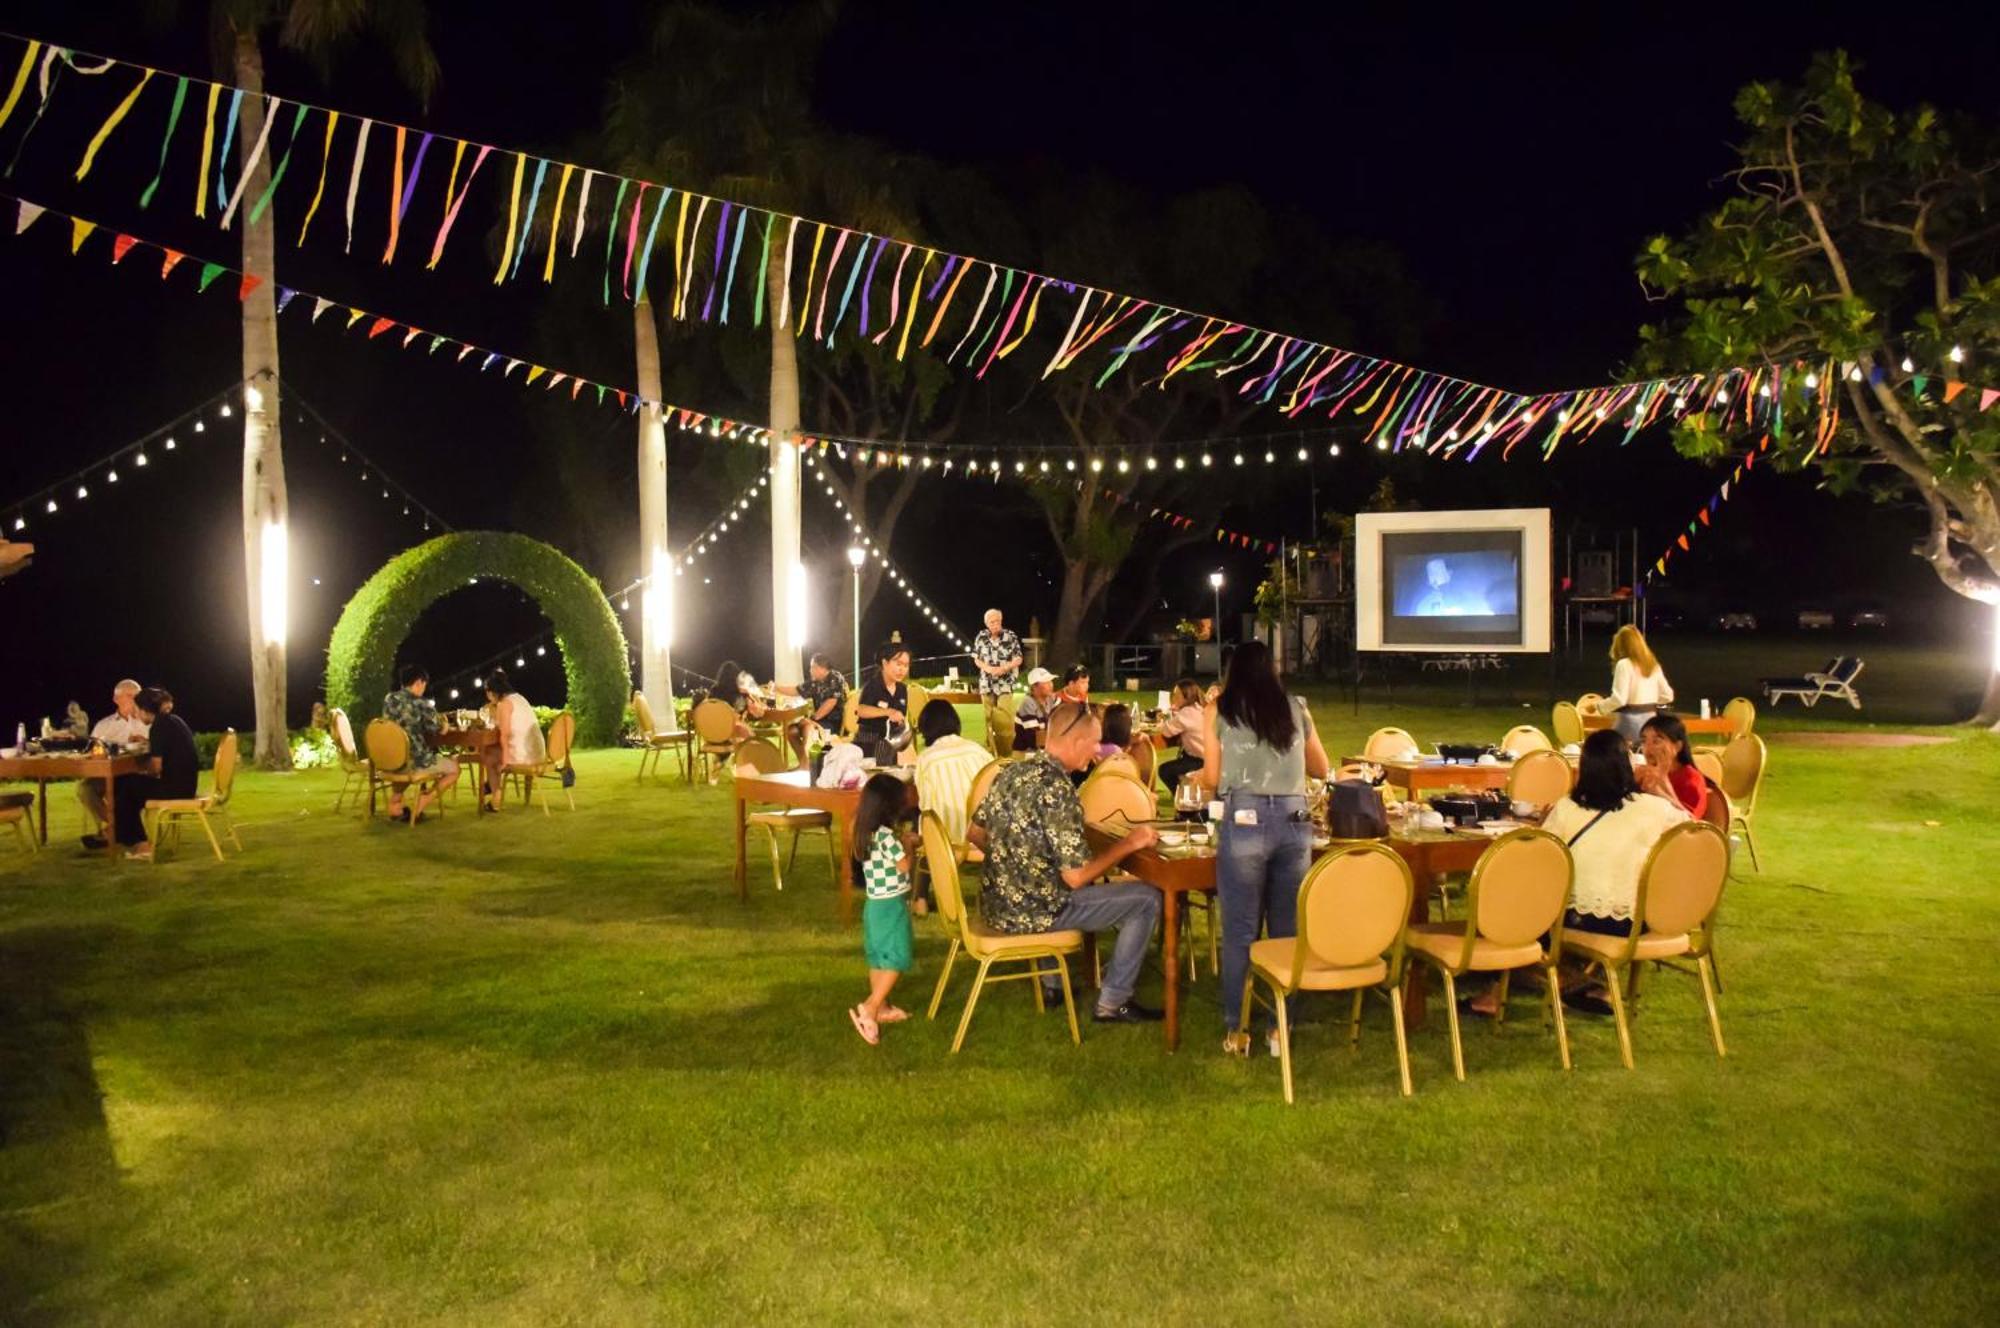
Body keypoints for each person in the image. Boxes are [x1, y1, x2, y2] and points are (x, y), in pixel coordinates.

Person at [969, 700, 1164, 1023]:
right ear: (1075, 742)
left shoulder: (1011, 772)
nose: (1096, 753)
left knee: (1045, 877)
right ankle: (1113, 1002)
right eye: (1094, 744)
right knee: (1146, 899)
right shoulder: (1058, 790)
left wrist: (1014, 863)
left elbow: (974, 832)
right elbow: (1076, 878)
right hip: (1035, 912)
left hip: (995, 905)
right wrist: (1130, 843)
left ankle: (1053, 983)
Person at [1198, 639, 1332, 1056]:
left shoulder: (1219, 711)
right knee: (1287, 929)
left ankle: (1237, 1031)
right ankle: (1281, 1029)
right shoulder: (1294, 708)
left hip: (1244, 820)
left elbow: (1211, 778)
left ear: (1231, 671)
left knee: (1240, 932)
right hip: (1294, 823)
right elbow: (1321, 768)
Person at [1534, 728, 1690, 1014]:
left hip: (1582, 920)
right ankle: (1584, 982)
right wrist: (1665, 792)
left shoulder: (1566, 808)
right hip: (1637, 922)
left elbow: (1541, 859)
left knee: (1528, 910)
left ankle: (1500, 991)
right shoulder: (1654, 810)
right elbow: (1697, 834)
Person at [848, 772, 917, 1045]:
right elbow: (903, 866)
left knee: (877, 956)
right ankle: (872, 1005)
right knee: (897, 956)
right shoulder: (887, 836)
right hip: (891, 904)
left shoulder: (861, 830)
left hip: (873, 903)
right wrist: (908, 845)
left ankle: (883, 1007)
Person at [112, 686, 196, 860]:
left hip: (174, 790)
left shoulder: (158, 726)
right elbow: (168, 748)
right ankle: (131, 839)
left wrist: (141, 766)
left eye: (137, 709)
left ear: (144, 710)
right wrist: (149, 744)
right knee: (128, 786)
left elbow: (156, 768)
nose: (136, 713)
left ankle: (139, 845)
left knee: (124, 785)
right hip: (186, 786)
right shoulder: (173, 721)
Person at [77, 677, 149, 849]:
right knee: (85, 789)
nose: (135, 700)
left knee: (123, 788)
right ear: (116, 699)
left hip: (139, 773)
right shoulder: (104, 725)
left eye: (137, 696)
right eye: (130, 696)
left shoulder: (148, 722)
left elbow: (160, 749)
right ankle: (117, 827)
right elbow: (92, 750)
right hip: (108, 773)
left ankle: (115, 831)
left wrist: (146, 741)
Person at [382, 665, 460, 822]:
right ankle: (422, 803)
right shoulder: (421, 704)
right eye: (424, 685)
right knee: (454, 769)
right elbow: (439, 729)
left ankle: (395, 805)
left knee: (405, 762)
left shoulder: (389, 699)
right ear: (419, 682)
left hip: (391, 759)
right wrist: (445, 724)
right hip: (413, 761)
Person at [914, 699, 990, 848]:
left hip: (948, 843)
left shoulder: (927, 759)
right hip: (986, 838)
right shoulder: (978, 750)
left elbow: (925, 804)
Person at [480, 669, 544, 813]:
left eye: (488, 693)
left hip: (525, 756)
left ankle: (495, 799)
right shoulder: (519, 698)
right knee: (492, 751)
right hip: (538, 752)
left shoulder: (504, 704)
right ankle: (490, 785)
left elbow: (505, 735)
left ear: (493, 692)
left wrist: (505, 759)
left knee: (489, 756)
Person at [1604, 625, 1674, 742]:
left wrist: (1599, 707)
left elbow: (1619, 699)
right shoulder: (1653, 664)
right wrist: (1649, 700)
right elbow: (1668, 695)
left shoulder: (1624, 664)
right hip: (1650, 721)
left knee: (1608, 747)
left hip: (1629, 722)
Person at [1638, 712, 1708, 819]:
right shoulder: (1645, 774)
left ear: (1677, 746)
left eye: (1656, 741)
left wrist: (1662, 784)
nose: (1648, 747)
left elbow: (1690, 824)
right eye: (1644, 741)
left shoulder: (1691, 780)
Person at [777, 652, 848, 756]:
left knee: (808, 728)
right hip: (818, 720)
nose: (810, 671)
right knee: (791, 731)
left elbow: (831, 702)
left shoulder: (835, 678)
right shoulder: (815, 682)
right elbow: (796, 690)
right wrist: (777, 688)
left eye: (812, 667)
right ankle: (803, 763)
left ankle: (808, 763)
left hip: (832, 723)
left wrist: (813, 719)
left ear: (819, 668)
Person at [971, 608, 1023, 733]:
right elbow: (976, 659)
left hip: (1005, 682)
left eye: (998, 621)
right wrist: (988, 668)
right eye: (992, 622)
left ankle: (1005, 746)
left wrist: (1004, 668)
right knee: (988, 718)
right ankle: (991, 747)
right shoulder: (981, 637)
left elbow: (1019, 659)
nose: (995, 625)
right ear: (986, 624)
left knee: (1004, 717)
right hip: (986, 683)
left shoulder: (1010, 636)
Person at [854, 641, 912, 750]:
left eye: (906, 665)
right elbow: (861, 710)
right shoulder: (873, 685)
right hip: (869, 739)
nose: (902, 669)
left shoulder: (902, 689)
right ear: (885, 663)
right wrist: (888, 712)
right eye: (898, 664)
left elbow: (900, 716)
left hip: (891, 740)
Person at [1156, 679, 1207, 796]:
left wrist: (1164, 720)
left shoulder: (1187, 713)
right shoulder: (1198, 708)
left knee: (1165, 770)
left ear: (1186, 697)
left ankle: (1180, 797)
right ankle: (1184, 793)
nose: (1173, 698)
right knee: (1180, 758)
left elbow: (1166, 731)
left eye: (1176, 695)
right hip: (1208, 756)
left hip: (1201, 761)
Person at [1011, 667, 1058, 753]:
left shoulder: (1050, 700)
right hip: (1026, 753)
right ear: (1034, 686)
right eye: (1046, 682)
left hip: (1043, 751)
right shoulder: (1028, 703)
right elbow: (1034, 739)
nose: (1051, 684)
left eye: (1050, 681)